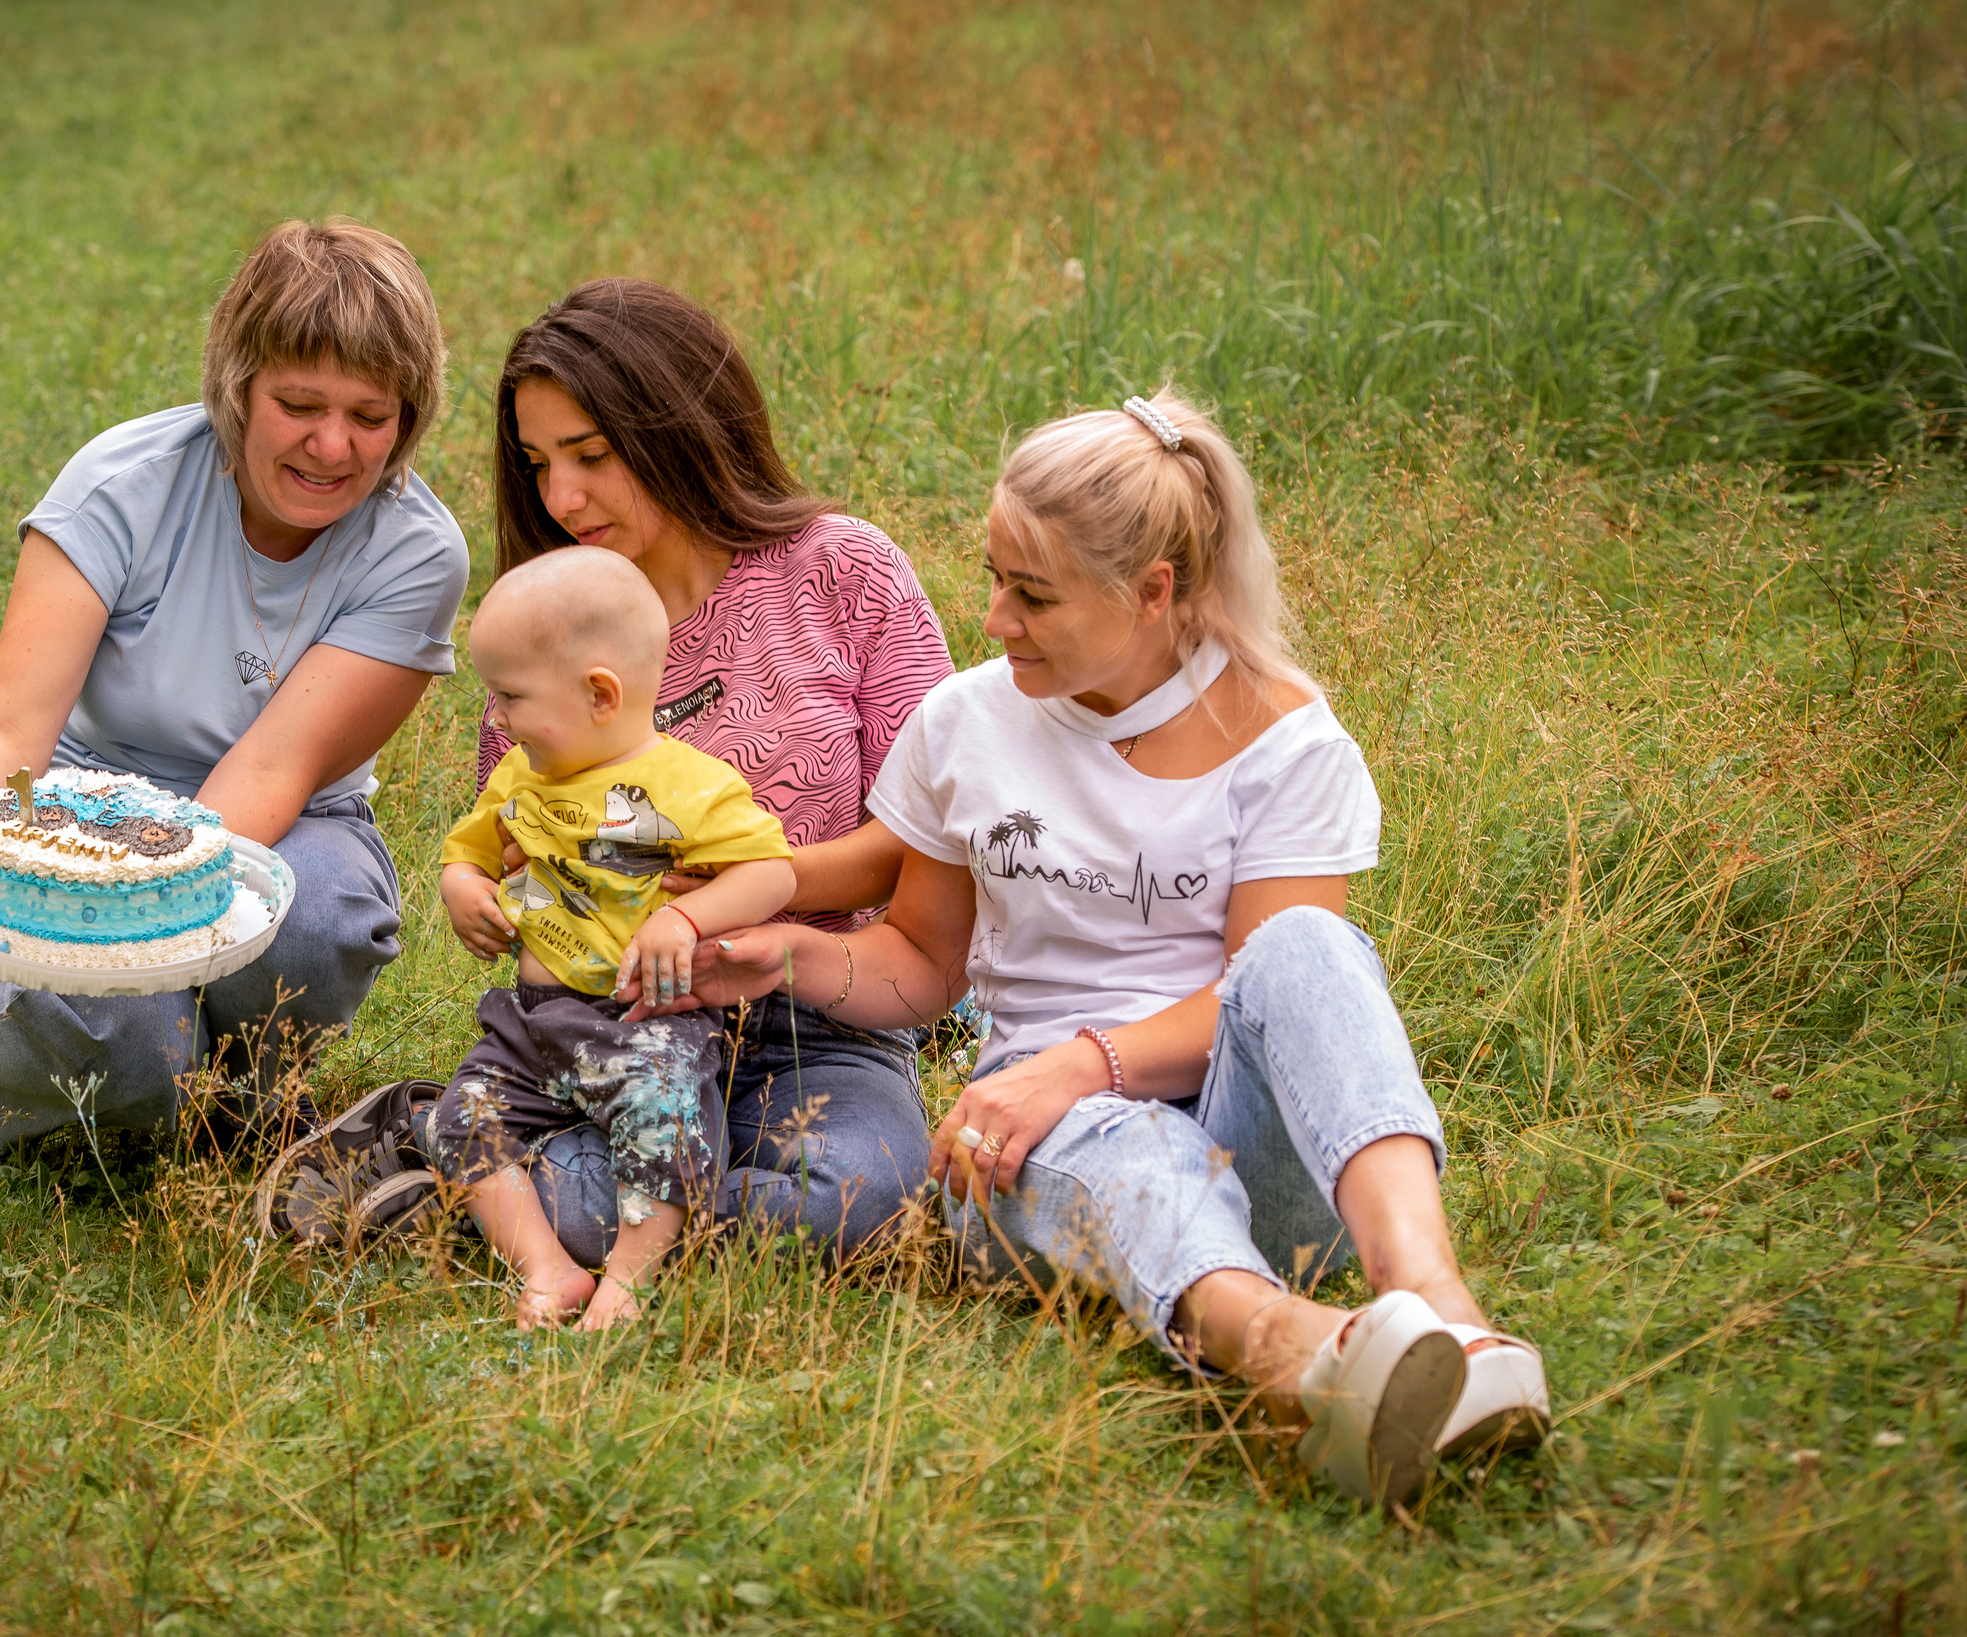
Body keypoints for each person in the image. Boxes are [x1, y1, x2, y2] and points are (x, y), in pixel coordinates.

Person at [660, 392, 1551, 1507]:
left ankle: (1440, 1316)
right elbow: (921, 966)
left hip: (1239, 1140)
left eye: (1032, 594)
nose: (993, 619)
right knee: (1124, 1149)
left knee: (1312, 947)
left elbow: (1256, 991)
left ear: (1154, 592)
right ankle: (1288, 1354)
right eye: (992, 576)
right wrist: (787, 953)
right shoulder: (966, 723)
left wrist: (1087, 1058)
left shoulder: (1284, 735)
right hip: (1029, 1154)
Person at [0, 219, 469, 1163]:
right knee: (136, 1037)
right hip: (83, 815)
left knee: (319, 921)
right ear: (238, 386)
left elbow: (276, 765)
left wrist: (161, 919)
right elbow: (9, 722)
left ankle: (249, 1099)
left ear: (411, 416)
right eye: (299, 404)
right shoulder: (122, 486)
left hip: (289, 816)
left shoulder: (418, 552)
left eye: (371, 416)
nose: (332, 446)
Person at [483, 279, 956, 1264]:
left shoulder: (843, 572)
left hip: (819, 1015)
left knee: (861, 1199)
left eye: (592, 457)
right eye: (538, 466)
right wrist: (511, 893)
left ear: (679, 427)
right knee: (592, 1175)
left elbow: (920, 840)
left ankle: (597, 1206)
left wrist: (729, 903)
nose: (562, 498)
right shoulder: (553, 632)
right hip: (617, 1023)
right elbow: (518, 849)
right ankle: (610, 1189)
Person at [429, 547, 797, 1328]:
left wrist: (685, 916)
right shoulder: (522, 776)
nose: (497, 718)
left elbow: (773, 873)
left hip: (644, 1022)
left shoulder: (691, 785)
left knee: (667, 1118)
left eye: (511, 697)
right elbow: (471, 848)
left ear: (601, 693)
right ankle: (545, 1270)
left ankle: (629, 1277)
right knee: (459, 1121)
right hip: (531, 1022)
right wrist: (462, 887)